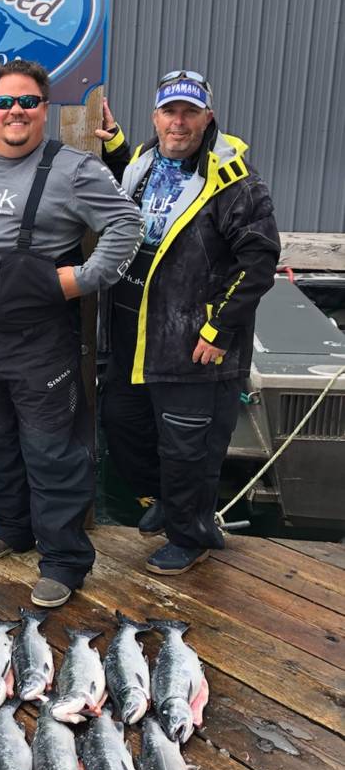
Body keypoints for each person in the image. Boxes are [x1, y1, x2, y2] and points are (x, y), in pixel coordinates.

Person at [0, 58, 144, 607]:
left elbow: (127, 225)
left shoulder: (73, 170)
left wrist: (83, 279)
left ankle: (65, 559)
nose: (16, 112)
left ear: (44, 109)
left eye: (28, 101)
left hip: (40, 343)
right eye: (5, 102)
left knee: (53, 452)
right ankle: (11, 527)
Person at [97, 69, 280, 574]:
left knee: (189, 448)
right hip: (134, 336)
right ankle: (164, 498)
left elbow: (259, 261)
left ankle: (191, 533)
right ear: (155, 117)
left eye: (189, 112)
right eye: (170, 112)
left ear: (208, 117)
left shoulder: (236, 183)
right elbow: (129, 188)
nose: (179, 123)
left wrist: (220, 328)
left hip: (192, 342)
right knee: (123, 426)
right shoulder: (144, 161)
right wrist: (114, 144)